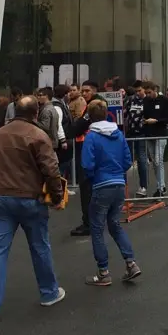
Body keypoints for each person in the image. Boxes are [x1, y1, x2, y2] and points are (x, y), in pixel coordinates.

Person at [0, 95, 65, 322]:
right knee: (39, 245)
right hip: (29, 197)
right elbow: (51, 170)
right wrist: (56, 196)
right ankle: (49, 292)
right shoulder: (38, 135)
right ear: (36, 113)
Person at [81, 98, 141, 286]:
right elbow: (126, 160)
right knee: (114, 224)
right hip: (118, 183)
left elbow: (87, 164)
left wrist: (92, 176)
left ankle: (103, 272)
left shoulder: (91, 136)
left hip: (101, 183)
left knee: (97, 228)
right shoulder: (119, 134)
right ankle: (130, 263)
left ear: (90, 116)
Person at [69, 82, 98, 237]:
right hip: (90, 148)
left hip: (88, 149)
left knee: (87, 188)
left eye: (87, 91)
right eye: (82, 91)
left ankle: (89, 223)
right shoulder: (88, 104)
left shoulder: (93, 106)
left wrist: (75, 126)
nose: (84, 93)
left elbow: (78, 126)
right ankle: (92, 220)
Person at [141, 81, 168, 198]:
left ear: (155, 90)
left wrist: (157, 120)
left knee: (158, 160)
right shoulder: (146, 101)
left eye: (149, 92)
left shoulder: (164, 100)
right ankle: (160, 186)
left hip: (160, 133)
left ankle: (161, 186)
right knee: (154, 161)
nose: (148, 95)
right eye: (146, 93)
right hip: (149, 134)